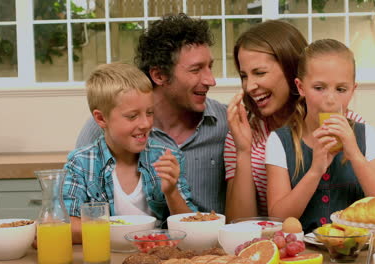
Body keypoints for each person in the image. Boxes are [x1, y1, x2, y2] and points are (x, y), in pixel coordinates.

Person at [75, 14, 228, 213]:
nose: (211, 80)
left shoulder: (228, 123)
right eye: (196, 69)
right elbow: (77, 205)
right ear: (159, 75)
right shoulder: (103, 127)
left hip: (209, 241)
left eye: (210, 67)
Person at [264, 39, 375, 233]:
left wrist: (355, 155)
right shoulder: (279, 141)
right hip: (304, 256)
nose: (331, 100)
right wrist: (315, 171)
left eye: (341, 89)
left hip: (357, 252)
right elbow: (278, 218)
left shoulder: (368, 136)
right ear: (300, 87)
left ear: (353, 90)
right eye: (319, 88)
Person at [63, 63, 197, 243]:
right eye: (132, 116)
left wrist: (172, 192)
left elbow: (191, 227)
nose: (145, 124)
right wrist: (123, 234)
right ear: (101, 118)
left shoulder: (166, 156)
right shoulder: (81, 163)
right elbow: (65, 224)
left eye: (149, 113)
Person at [223, 20, 308, 222]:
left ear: (292, 69)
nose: (250, 86)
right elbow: (239, 225)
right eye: (244, 75)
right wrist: (243, 151)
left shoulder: (332, 124)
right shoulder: (242, 134)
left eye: (260, 73)